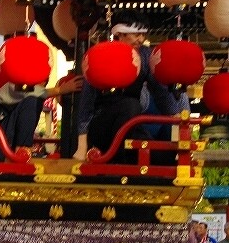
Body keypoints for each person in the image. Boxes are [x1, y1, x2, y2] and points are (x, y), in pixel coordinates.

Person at [73, 22, 186, 161]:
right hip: (102, 122)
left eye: (143, 35)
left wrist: (175, 115)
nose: (141, 39)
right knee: (131, 105)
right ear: (120, 34)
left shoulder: (145, 55)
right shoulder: (101, 54)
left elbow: (160, 91)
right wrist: (82, 146)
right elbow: (87, 102)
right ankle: (116, 160)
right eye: (136, 34)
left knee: (163, 157)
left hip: (130, 124)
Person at [0, 74, 83, 156]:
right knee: (32, 100)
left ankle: (22, 152)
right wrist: (59, 90)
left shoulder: (34, 98)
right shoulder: (14, 85)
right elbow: (30, 92)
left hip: (1, 140)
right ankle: (22, 153)